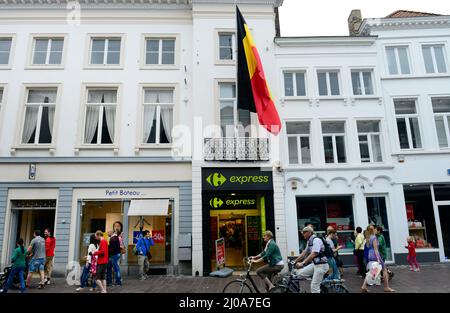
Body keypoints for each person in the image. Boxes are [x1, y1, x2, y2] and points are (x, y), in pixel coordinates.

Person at [294, 226, 330, 293]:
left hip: (321, 265)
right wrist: (295, 261)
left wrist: (303, 263)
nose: (302, 234)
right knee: (300, 274)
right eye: (302, 232)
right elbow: (305, 252)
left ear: (309, 233)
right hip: (315, 264)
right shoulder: (309, 241)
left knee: (314, 287)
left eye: (304, 232)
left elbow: (314, 253)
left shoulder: (316, 240)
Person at [361, 225, 395, 293]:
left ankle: (364, 286)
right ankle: (386, 287)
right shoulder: (374, 238)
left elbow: (368, 247)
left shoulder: (368, 237)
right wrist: (378, 259)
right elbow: (376, 250)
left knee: (373, 271)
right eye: (375, 229)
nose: (376, 230)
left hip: (370, 255)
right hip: (375, 255)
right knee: (383, 270)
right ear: (373, 230)